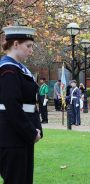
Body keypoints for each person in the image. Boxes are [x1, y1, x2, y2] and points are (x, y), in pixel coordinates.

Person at [0, 25, 42, 184]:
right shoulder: (8, 70)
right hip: (12, 136)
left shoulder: (19, 69)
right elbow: (12, 107)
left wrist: (36, 129)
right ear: (15, 44)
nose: (31, 50)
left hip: (20, 135)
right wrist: (31, 132)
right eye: (28, 46)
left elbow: (30, 104)